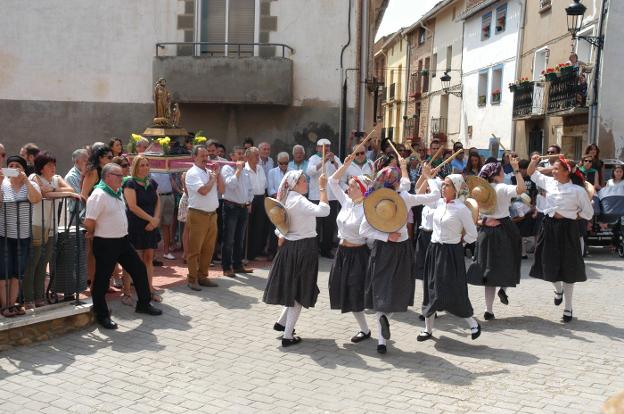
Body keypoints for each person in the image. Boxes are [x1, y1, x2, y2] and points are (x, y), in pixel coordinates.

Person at [359, 161, 440, 354]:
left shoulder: (375, 198)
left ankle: (381, 342)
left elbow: (364, 229)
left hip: (382, 248)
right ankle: (388, 316)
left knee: (380, 289)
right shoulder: (404, 196)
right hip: (401, 247)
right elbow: (435, 196)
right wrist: (429, 176)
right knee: (399, 288)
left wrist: (385, 236)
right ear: (396, 183)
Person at [84, 163, 162, 329]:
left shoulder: (117, 192)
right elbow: (89, 221)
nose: (123, 178)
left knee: (139, 270)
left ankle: (143, 304)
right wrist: (91, 232)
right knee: (102, 280)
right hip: (105, 242)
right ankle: (101, 315)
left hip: (122, 241)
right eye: (119, 175)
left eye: (122, 175)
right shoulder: (99, 195)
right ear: (108, 176)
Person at [263, 170, 330, 347]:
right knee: (299, 292)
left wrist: (280, 233)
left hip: (290, 248)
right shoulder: (299, 200)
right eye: (303, 180)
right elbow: (324, 211)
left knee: (294, 287)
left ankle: (281, 323)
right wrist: (323, 188)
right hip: (304, 247)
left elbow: (280, 223)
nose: (306, 182)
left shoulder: (286, 198)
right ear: (294, 184)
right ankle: (287, 336)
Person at [527, 154, 593, 322]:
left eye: (556, 169)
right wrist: (534, 161)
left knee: (568, 268)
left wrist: (572, 216)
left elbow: (588, 213)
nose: (553, 171)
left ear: (567, 172)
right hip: (549, 227)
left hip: (568, 229)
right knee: (548, 262)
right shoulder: (549, 182)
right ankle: (558, 290)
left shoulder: (577, 191)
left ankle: (568, 308)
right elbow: (531, 173)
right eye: (553, 168)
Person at [417, 174, 481, 342]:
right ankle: (427, 329)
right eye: (443, 185)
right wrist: (428, 175)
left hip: (451, 253)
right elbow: (425, 193)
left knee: (454, 289)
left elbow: (473, 234)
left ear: (457, 189)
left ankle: (472, 322)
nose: (443, 188)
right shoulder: (437, 203)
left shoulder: (462, 209)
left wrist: (459, 245)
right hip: (434, 250)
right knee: (431, 288)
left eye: (447, 185)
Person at [466, 159, 525, 320]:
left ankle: (489, 310)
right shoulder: (503, 187)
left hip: (486, 230)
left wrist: (484, 221)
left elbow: (471, 213)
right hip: (505, 227)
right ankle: (504, 289)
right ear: (496, 175)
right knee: (511, 261)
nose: (504, 174)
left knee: (488, 269)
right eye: (502, 172)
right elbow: (522, 189)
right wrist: (516, 169)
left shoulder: (478, 190)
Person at [24, 152, 81, 309]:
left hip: (52, 226)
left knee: (44, 262)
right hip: (36, 224)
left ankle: (40, 297)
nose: (53, 168)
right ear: (41, 168)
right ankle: (28, 299)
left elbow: (69, 188)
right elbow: (44, 194)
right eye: (50, 165)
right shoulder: (34, 178)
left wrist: (58, 190)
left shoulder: (56, 179)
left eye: (54, 164)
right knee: (33, 262)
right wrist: (64, 193)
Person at [328, 154, 373, 343]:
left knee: (355, 291)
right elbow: (332, 181)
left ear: (362, 190)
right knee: (337, 285)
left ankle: (367, 329)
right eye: (350, 185)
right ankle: (367, 327)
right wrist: (345, 166)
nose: (349, 187)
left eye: (353, 186)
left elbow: (371, 236)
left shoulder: (367, 209)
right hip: (342, 252)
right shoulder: (347, 201)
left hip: (358, 253)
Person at [0, 156, 42, 317]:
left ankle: (13, 303)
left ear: (23, 169)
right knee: (3, 271)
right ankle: (5, 306)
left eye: (17, 165)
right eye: (10, 165)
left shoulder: (29, 184)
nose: (13, 167)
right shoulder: (3, 184)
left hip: (23, 235)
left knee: (18, 272)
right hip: (4, 234)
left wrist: (25, 181)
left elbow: (36, 199)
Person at [124, 156, 163, 303]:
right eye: (142, 165)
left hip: (150, 225)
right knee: (132, 259)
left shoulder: (151, 182)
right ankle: (127, 293)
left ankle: (149, 290)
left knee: (148, 258)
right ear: (135, 167)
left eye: (147, 165)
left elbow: (157, 202)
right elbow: (132, 206)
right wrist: (151, 219)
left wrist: (155, 220)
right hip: (135, 224)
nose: (145, 167)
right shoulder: (130, 183)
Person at [185, 145, 223, 290]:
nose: (206, 159)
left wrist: (218, 175)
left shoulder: (209, 172)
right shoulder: (192, 173)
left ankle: (202, 276)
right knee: (195, 249)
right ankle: (192, 279)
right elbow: (204, 191)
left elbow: (222, 189)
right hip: (198, 214)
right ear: (194, 157)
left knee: (208, 249)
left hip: (212, 215)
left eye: (207, 156)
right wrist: (213, 177)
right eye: (202, 156)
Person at [307, 139, 343, 258]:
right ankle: (314, 249)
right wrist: (323, 161)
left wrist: (332, 161)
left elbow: (341, 172)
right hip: (316, 196)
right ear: (317, 148)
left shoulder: (335, 158)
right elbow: (310, 172)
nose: (326, 149)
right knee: (316, 225)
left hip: (331, 197)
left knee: (329, 225)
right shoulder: (313, 158)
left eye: (328, 147)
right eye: (323, 147)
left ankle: (326, 250)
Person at [221, 146, 254, 277]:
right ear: (232, 156)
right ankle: (226, 267)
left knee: (240, 239)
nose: (241, 157)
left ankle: (238, 265)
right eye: (239, 154)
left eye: (243, 154)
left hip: (243, 207)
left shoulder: (246, 171)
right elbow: (230, 185)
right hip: (231, 207)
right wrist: (238, 171)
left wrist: (249, 201)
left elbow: (250, 189)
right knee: (229, 239)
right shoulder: (227, 168)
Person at [245, 147, 269, 261]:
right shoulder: (244, 169)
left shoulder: (260, 168)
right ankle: (245, 253)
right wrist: (247, 202)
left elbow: (264, 186)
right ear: (248, 157)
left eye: (258, 155)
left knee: (259, 227)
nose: (258, 157)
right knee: (248, 227)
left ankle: (254, 253)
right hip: (249, 200)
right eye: (256, 155)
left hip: (260, 199)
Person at [267, 152, 289, 259]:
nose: (284, 165)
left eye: (286, 163)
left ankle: (284, 251)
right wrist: (279, 197)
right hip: (275, 202)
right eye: (281, 163)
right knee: (274, 228)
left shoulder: (292, 172)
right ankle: (272, 252)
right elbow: (270, 188)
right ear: (277, 162)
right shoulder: (272, 172)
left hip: (288, 203)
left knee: (286, 227)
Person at [150, 169, 176, 260]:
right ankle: (152, 254)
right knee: (154, 225)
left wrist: (180, 190)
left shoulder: (167, 168)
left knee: (167, 225)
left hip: (169, 196)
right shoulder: (150, 170)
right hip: (158, 198)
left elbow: (172, 181)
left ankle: (166, 252)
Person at [65, 149, 89, 223]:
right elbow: (80, 196)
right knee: (78, 234)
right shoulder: (71, 177)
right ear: (77, 161)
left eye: (88, 160)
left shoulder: (89, 173)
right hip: (77, 214)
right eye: (85, 160)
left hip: (88, 211)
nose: (88, 163)